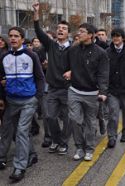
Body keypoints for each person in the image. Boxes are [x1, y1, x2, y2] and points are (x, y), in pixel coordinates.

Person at [0, 26, 44, 182]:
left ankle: (19, 167)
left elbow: (40, 77)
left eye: (16, 36)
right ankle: (30, 155)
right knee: (11, 131)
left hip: (28, 101)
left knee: (21, 131)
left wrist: (37, 98)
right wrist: (2, 97)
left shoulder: (31, 55)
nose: (12, 38)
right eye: (10, 36)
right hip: (11, 101)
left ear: (22, 39)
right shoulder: (4, 57)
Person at [63, 23, 109, 161]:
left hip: (92, 93)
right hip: (74, 91)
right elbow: (66, 66)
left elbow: (103, 74)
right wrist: (68, 73)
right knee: (75, 120)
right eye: (79, 31)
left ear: (90, 35)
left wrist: (102, 91)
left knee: (90, 123)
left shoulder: (101, 53)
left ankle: (89, 149)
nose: (79, 33)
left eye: (82, 31)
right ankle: (79, 147)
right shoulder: (73, 50)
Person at [33, 2, 72, 155]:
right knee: (49, 117)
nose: (60, 30)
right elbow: (38, 31)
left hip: (68, 89)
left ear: (68, 33)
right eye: (59, 28)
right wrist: (36, 13)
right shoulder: (51, 45)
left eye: (64, 29)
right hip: (53, 89)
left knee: (68, 119)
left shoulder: (74, 48)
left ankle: (63, 143)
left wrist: (72, 72)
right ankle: (56, 140)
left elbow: (79, 65)